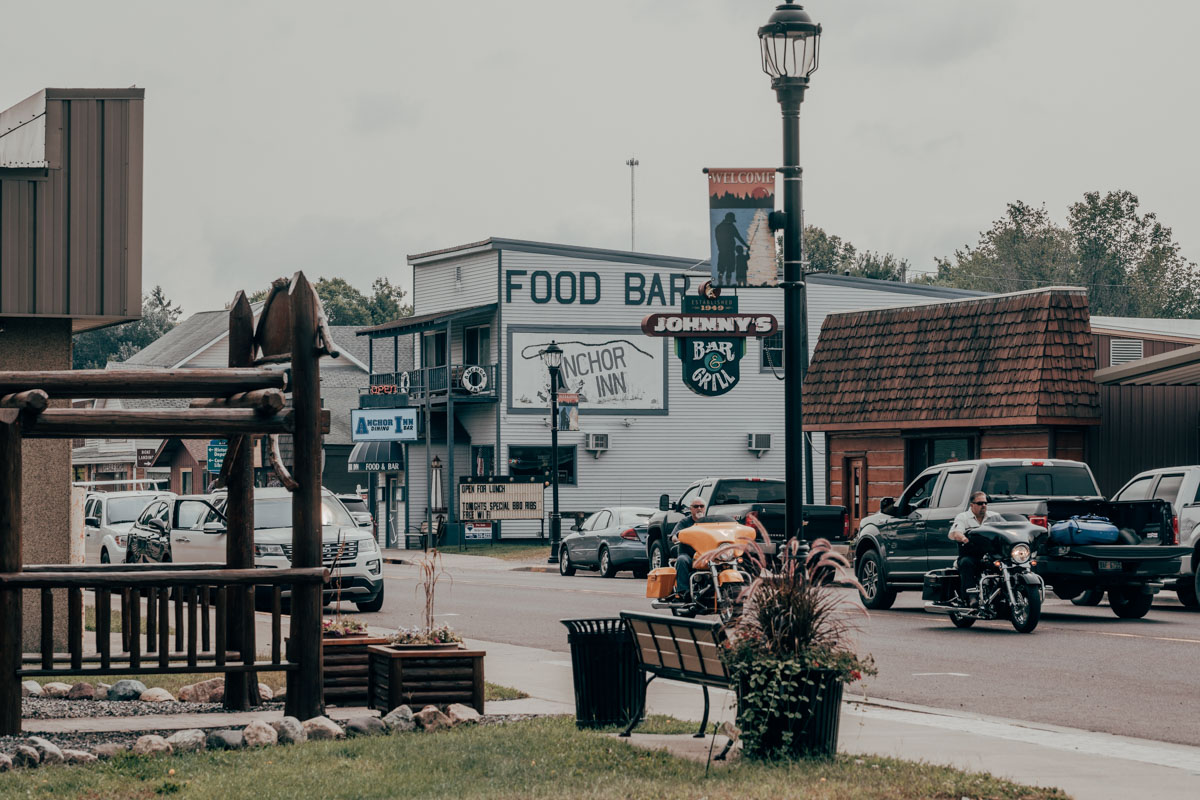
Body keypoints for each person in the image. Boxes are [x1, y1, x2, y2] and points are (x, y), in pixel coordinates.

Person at [949, 491, 1003, 604]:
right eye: (980, 503)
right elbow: (956, 533)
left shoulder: (995, 517)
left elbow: (1007, 529)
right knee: (966, 563)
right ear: (972, 505)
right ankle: (971, 596)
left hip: (991, 555)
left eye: (985, 503)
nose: (983, 505)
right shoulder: (963, 517)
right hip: (971, 555)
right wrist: (964, 538)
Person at [670, 499, 707, 597]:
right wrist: (676, 538)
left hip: (706, 555)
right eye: (696, 506)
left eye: (701, 506)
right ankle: (683, 592)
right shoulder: (685, 522)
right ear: (691, 509)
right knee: (682, 560)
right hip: (689, 555)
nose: (699, 508)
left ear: (705, 508)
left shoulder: (709, 522)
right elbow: (674, 536)